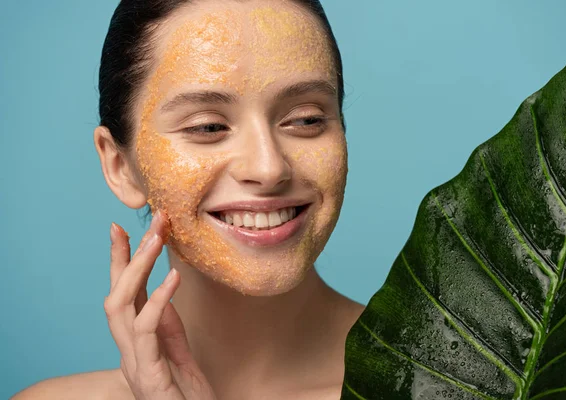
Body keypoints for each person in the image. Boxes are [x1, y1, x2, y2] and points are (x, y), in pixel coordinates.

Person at [13, 0, 365, 398]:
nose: (268, 168)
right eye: (208, 126)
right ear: (119, 166)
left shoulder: (436, 380)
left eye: (306, 119)